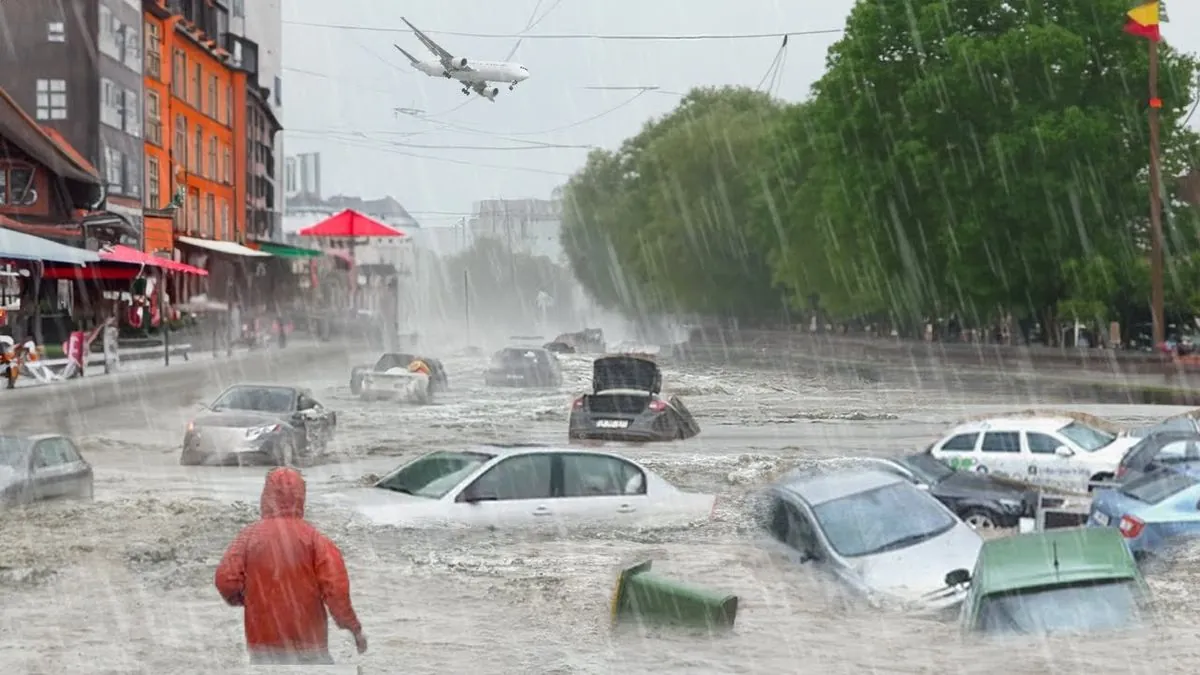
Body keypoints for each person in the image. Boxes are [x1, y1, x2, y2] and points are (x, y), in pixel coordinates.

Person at [214, 467, 367, 665]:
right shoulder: (315, 540)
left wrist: (247, 599)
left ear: (266, 496)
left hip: (262, 645)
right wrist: (354, 628)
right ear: (301, 497)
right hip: (309, 645)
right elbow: (336, 589)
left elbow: (225, 580)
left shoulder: (248, 538)